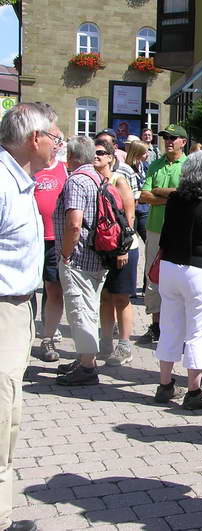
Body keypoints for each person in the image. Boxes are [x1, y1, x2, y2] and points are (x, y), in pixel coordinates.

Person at [0, 102, 60, 531]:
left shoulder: (21, 180)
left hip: (20, 307)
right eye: (55, 137)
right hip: (2, 309)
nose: (60, 144)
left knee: (10, 416)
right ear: (34, 139)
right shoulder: (2, 182)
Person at [153, 150, 202, 409]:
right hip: (200, 272)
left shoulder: (174, 200)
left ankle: (165, 385)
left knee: (170, 326)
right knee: (198, 332)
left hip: (169, 268)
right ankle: (194, 390)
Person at [53, 135, 110, 386]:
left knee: (80, 311)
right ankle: (86, 358)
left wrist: (65, 254)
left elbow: (74, 224)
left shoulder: (76, 181)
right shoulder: (99, 178)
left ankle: (87, 368)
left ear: (73, 157)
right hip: (98, 254)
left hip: (78, 257)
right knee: (89, 308)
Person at [138, 124, 188, 345]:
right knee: (153, 277)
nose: (168, 141)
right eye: (166, 137)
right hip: (155, 229)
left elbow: (186, 196)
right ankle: (156, 326)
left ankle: (178, 328)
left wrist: (157, 193)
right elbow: (143, 195)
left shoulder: (189, 166)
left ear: (183, 142)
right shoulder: (155, 164)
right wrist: (168, 197)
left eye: (173, 138)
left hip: (181, 230)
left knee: (180, 278)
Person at [93, 139, 137, 367]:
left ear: (111, 157)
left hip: (123, 249)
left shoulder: (119, 181)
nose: (96, 156)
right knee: (105, 297)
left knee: (121, 298)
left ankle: (124, 345)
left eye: (101, 152)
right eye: (94, 152)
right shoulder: (93, 180)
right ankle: (105, 341)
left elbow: (130, 217)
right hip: (103, 249)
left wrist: (123, 249)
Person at [33, 135, 69, 362]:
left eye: (57, 140)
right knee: (27, 290)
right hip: (33, 238)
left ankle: (47, 337)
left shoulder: (65, 170)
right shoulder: (31, 169)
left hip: (55, 239)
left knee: (53, 289)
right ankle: (25, 331)